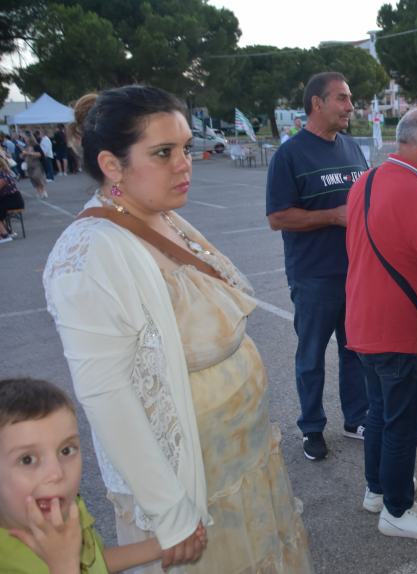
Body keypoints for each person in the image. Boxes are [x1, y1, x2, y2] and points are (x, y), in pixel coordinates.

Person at [43, 85, 312, 574]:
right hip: (194, 487)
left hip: (242, 465)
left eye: (186, 148)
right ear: (112, 165)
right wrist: (171, 513)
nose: (184, 163)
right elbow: (107, 396)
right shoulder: (87, 255)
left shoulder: (162, 216)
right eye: (163, 153)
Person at [345, 106, 417, 541]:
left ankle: (377, 489)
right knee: (403, 424)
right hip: (400, 329)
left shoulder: (369, 179)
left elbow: (388, 232)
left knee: (379, 413)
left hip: (362, 320)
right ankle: (397, 509)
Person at [266, 72, 369, 461]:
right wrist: (332, 216)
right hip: (313, 276)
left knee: (354, 349)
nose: (350, 106)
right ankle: (311, 427)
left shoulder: (352, 149)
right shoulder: (289, 155)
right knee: (310, 355)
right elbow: (277, 217)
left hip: (356, 271)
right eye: (342, 99)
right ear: (317, 104)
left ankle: (355, 417)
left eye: (350, 98)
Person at [0, 377, 167, 573]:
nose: (56, 473)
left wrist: (160, 547)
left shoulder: (66, 508)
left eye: (66, 450)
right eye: (27, 459)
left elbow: (92, 563)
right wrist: (63, 565)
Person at [0, 155, 25, 243]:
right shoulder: (5, 172)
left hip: (13, 201)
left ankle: (5, 235)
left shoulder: (2, 175)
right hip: (10, 199)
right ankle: (8, 231)